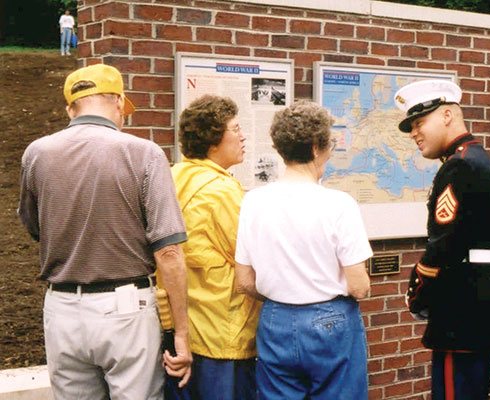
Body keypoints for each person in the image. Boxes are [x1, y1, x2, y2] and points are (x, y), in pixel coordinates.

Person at [17, 63, 192, 399]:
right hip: (126, 308)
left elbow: (35, 227)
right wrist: (181, 335)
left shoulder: (36, 153)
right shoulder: (144, 153)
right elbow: (168, 252)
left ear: (70, 108)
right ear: (118, 102)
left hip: (62, 307)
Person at [234, 100, 373, 400]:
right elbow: (359, 286)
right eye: (329, 144)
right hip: (331, 321)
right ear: (314, 148)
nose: (331, 151)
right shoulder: (339, 204)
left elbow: (244, 281)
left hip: (274, 320)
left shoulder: (252, 202)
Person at [395, 79, 490, 399]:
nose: (414, 133)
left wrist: (417, 293)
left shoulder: (459, 167)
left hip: (461, 305)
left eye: (420, 122)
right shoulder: (475, 159)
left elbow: (443, 245)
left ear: (447, 115)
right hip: (482, 297)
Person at [171, 95, 259, 399]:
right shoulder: (221, 191)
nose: (243, 135)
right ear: (212, 141)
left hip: (186, 331)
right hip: (225, 334)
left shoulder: (175, 177)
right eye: (235, 129)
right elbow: (250, 258)